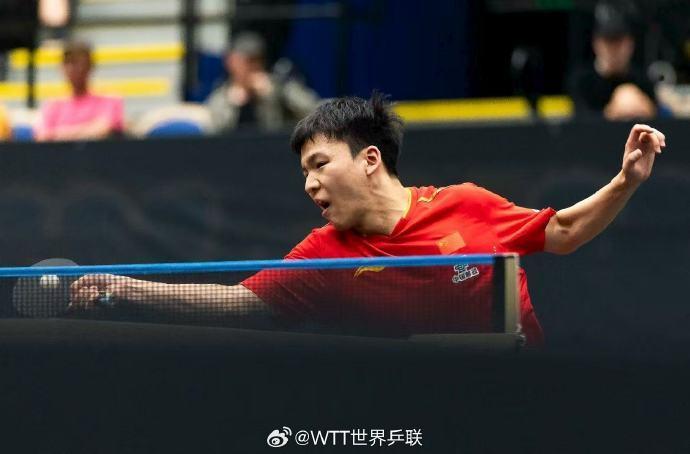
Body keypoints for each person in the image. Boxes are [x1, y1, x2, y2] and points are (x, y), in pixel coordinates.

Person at [71, 93, 666, 346]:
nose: (310, 184)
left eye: (320, 164)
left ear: (370, 160)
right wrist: (127, 288)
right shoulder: (324, 251)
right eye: (304, 172)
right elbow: (240, 303)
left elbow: (562, 233)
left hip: (525, 394)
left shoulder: (466, 204)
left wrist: (625, 181)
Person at [205, 31, 319, 133]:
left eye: (257, 59)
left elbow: (313, 110)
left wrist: (277, 94)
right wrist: (232, 105)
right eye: (247, 61)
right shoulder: (222, 95)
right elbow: (214, 130)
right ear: (231, 62)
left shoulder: (280, 85)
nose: (253, 66)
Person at [569, 1, 657, 121]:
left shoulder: (643, 80)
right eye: (608, 41)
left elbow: (660, 121)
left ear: (630, 43)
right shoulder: (582, 82)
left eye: (618, 41)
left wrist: (646, 109)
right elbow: (579, 123)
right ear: (596, 43)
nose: (613, 49)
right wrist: (613, 111)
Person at [36, 40, 124, 141]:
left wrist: (58, 134)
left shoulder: (110, 100)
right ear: (62, 67)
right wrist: (87, 130)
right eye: (69, 62)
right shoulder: (53, 105)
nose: (74, 69)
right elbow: (42, 136)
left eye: (80, 63)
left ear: (90, 66)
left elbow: (103, 129)